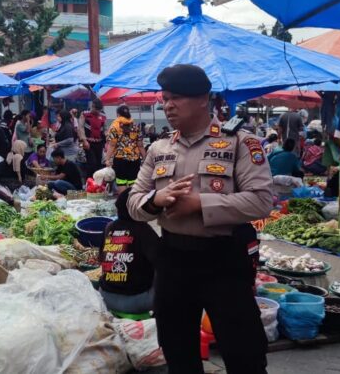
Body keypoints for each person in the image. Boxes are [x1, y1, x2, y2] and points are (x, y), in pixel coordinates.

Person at [128, 64, 271, 373]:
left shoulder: (240, 144)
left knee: (244, 350)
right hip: (173, 260)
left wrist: (199, 204)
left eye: (176, 98)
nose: (167, 105)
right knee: (177, 348)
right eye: (165, 98)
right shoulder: (159, 148)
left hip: (223, 261)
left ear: (203, 99)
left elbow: (261, 200)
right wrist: (156, 200)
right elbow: (133, 201)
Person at [98, 187, 159, 314]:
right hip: (137, 301)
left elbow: (100, 259)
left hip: (105, 296)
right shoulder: (144, 230)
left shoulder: (109, 227)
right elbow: (162, 263)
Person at [106, 105, 146, 192]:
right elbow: (140, 145)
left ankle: (123, 203)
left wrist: (107, 159)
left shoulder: (115, 126)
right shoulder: (135, 126)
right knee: (133, 181)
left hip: (120, 159)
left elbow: (112, 145)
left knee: (121, 182)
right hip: (134, 159)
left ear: (118, 114)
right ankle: (133, 203)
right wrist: (145, 158)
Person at [78, 99, 107, 172]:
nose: (98, 112)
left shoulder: (103, 116)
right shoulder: (85, 114)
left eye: (99, 110)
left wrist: (108, 140)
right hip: (88, 142)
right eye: (96, 109)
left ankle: (97, 181)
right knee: (92, 163)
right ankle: (89, 180)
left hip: (99, 143)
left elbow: (105, 129)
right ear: (92, 106)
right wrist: (84, 141)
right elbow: (80, 128)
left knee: (98, 163)